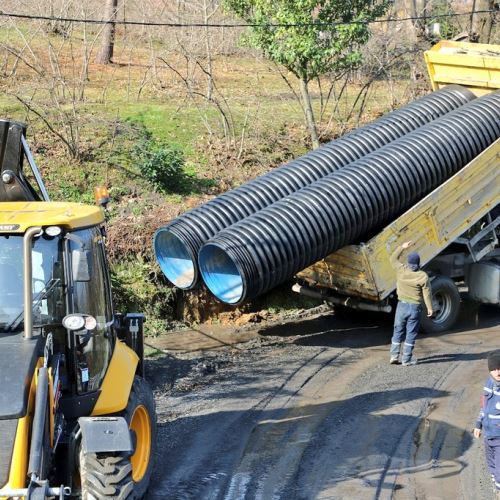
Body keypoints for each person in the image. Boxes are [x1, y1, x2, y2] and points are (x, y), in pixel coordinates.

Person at [389, 241, 433, 366]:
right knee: (411, 333)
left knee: (398, 331)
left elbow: (393, 258)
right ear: (418, 264)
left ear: (408, 263)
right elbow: (427, 293)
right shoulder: (422, 276)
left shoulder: (401, 270)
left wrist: (401, 247)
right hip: (415, 307)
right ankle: (406, 359)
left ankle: (394, 356)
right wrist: (430, 308)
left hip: (401, 306)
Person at [473, 350, 500, 498]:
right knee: (491, 464)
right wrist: (478, 424)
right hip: (488, 434)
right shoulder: (489, 383)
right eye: (494, 368)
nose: (497, 371)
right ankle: (496, 483)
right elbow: (484, 406)